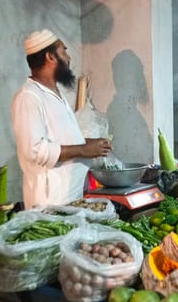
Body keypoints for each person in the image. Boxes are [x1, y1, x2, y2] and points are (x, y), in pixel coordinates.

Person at [11, 29, 113, 208]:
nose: (68, 58)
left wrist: (90, 144)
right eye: (64, 51)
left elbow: (60, 139)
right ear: (50, 57)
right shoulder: (29, 97)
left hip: (70, 195)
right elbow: (34, 151)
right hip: (50, 201)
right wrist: (83, 149)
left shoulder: (55, 94)